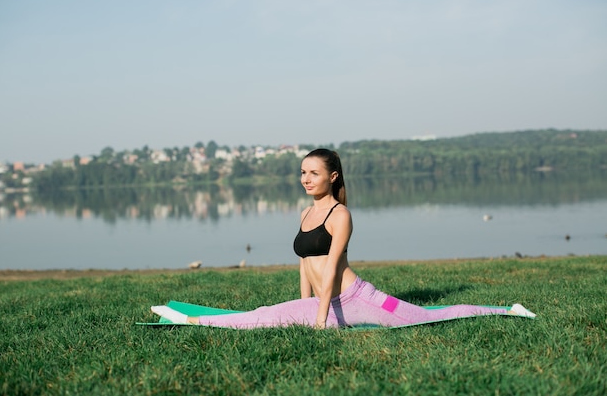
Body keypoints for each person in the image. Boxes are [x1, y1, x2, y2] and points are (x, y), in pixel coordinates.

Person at [151, 148, 536, 329]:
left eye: (312, 173)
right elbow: (305, 263)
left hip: (354, 298)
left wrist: (319, 320)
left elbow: (332, 265)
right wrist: (302, 306)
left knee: (427, 316)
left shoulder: (340, 215)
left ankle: (506, 311)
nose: (304, 178)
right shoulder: (306, 213)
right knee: (268, 315)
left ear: (332, 176)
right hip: (325, 300)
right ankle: (188, 317)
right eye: (302, 172)